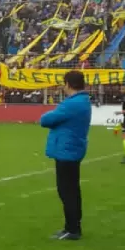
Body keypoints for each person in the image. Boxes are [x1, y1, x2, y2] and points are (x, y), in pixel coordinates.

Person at [39, 70, 91, 241]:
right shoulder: (82, 101)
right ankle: (74, 227)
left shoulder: (72, 104)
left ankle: (72, 228)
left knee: (67, 191)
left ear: (68, 84)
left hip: (66, 150)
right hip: (72, 149)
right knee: (72, 190)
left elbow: (46, 120)